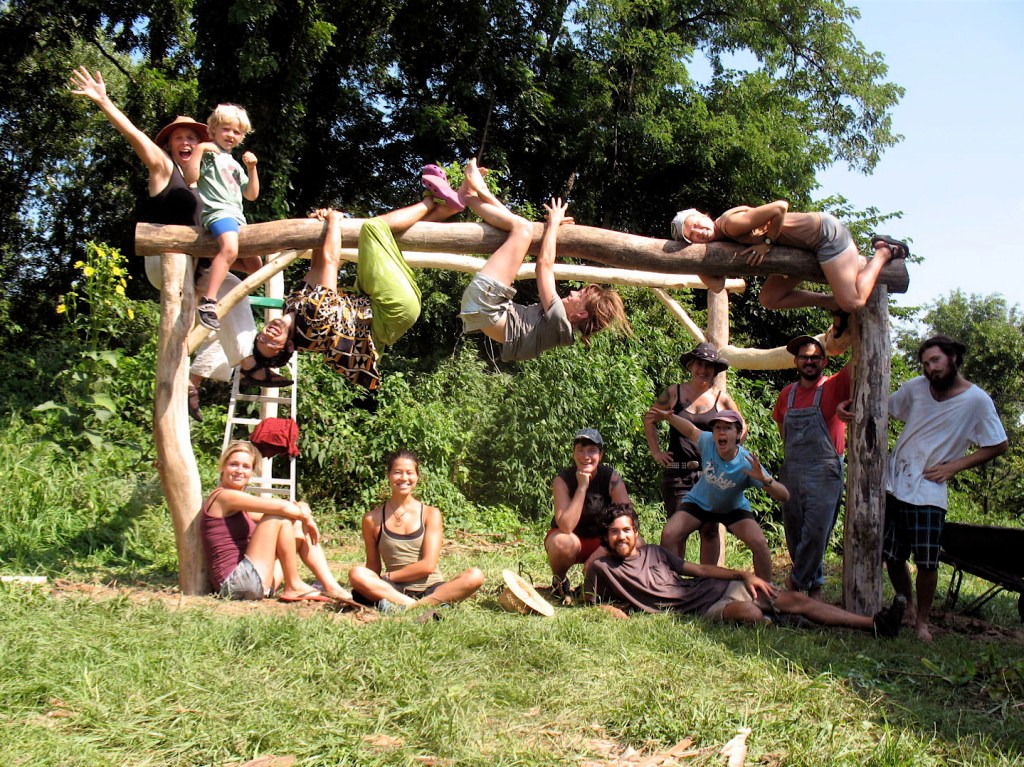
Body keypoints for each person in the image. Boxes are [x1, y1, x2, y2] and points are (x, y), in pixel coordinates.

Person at [69, 66, 257, 421]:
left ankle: (245, 365)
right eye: (178, 138)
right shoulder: (163, 169)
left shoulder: (208, 184)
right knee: (183, 318)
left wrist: (247, 258)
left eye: (192, 138)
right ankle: (180, 381)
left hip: (197, 266)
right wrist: (104, 102)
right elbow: (134, 135)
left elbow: (221, 232)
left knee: (235, 293)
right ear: (169, 145)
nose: (186, 143)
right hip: (167, 261)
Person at [842, 336, 1007, 641]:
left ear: (953, 357)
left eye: (936, 360)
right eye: (926, 363)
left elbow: (998, 444)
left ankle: (922, 623)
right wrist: (848, 406)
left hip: (930, 490)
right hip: (895, 483)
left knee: (927, 562)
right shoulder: (916, 387)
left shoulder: (977, 401)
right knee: (893, 556)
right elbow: (883, 405)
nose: (931, 368)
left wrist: (954, 466)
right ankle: (907, 608)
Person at [244, 176, 464, 391]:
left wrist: (320, 225)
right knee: (373, 228)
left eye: (262, 338)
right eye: (273, 344)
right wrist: (334, 221)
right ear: (289, 345)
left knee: (384, 240)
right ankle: (430, 201)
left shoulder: (293, 307)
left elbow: (317, 269)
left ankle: (445, 209)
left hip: (371, 303)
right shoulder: (312, 322)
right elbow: (331, 262)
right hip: (389, 312)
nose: (269, 335)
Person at [585, 503, 906, 637]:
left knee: (794, 599)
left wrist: (744, 575)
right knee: (751, 613)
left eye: (626, 530)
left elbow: (700, 569)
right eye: (614, 532)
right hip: (706, 608)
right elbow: (592, 604)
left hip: (718, 588)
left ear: (636, 532)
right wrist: (613, 611)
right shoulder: (603, 569)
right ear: (606, 537)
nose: (621, 537)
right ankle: (782, 619)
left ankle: (875, 624)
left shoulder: (655, 552)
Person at [459, 159, 631, 361]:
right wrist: (551, 228)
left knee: (523, 229)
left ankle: (477, 191)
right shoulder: (562, 329)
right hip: (485, 308)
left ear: (582, 314)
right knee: (523, 227)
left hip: (486, 304)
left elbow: (544, 265)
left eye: (580, 295)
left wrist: (554, 223)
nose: (573, 292)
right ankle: (470, 195)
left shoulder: (559, 321)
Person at [671, 203, 909, 335]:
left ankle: (884, 251)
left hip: (824, 235)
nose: (699, 232)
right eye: (693, 235)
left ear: (703, 215)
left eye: (696, 224)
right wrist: (694, 262)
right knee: (769, 299)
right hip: (801, 250)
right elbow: (717, 285)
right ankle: (831, 302)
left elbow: (780, 207)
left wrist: (766, 243)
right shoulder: (722, 240)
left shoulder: (730, 224)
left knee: (853, 301)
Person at [200, 441, 352, 601]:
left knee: (296, 527)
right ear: (222, 467)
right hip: (235, 584)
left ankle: (331, 586)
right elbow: (283, 508)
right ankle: (294, 585)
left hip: (255, 580)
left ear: (252, 472)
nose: (239, 471)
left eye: (246, 466)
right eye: (233, 464)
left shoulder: (240, 503)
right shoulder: (223, 496)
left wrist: (303, 508)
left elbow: (290, 510)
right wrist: (306, 517)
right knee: (277, 517)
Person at [647, 409, 785, 581]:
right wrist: (669, 417)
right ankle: (667, 584)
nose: (721, 432)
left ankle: (766, 591)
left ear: (738, 434)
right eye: (717, 428)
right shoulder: (708, 442)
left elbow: (784, 496)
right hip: (699, 502)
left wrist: (766, 480)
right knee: (670, 534)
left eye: (727, 428)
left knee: (759, 543)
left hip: (732, 509)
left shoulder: (746, 462)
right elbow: (690, 430)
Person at [643, 342, 745, 564]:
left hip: (710, 475)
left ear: (715, 370)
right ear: (690, 365)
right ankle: (673, 579)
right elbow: (650, 418)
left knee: (710, 529)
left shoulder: (722, 399)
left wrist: (726, 456)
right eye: (699, 363)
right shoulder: (674, 392)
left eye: (709, 365)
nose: (703, 369)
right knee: (677, 531)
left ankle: (707, 580)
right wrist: (656, 452)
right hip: (678, 472)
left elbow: (742, 429)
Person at [348, 450, 485, 613]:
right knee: (357, 573)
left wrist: (389, 576)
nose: (404, 478)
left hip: (432, 588)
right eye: (397, 472)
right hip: (394, 589)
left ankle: (408, 606)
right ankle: (422, 605)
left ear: (417, 476)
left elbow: (428, 565)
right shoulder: (372, 519)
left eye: (409, 473)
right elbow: (373, 567)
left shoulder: (430, 514)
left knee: (475, 575)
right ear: (388, 475)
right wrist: (372, 583)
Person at [772, 334, 851, 599]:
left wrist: (843, 332)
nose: (809, 362)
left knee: (817, 532)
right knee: (795, 533)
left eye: (815, 357)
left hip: (825, 471)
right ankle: (813, 593)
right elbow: (781, 426)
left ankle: (793, 585)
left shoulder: (834, 386)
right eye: (804, 357)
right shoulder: (787, 394)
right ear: (796, 361)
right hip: (792, 470)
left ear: (824, 361)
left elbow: (858, 362)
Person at [193, 104, 261, 331]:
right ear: (213, 129)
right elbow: (191, 177)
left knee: (255, 265)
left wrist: (252, 169)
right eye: (226, 129)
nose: (231, 135)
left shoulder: (234, 164)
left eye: (237, 132)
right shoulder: (208, 154)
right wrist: (199, 150)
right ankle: (208, 302)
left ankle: (217, 258)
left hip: (237, 217)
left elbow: (251, 194)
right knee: (231, 250)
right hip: (218, 212)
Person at [546, 428, 632, 599]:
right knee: (562, 542)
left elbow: (628, 519)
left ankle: (599, 584)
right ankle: (560, 582)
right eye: (580, 450)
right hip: (571, 540)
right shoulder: (562, 480)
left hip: (602, 541)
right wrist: (582, 487)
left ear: (601, 454)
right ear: (573, 453)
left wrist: (602, 550)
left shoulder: (611, 478)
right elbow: (566, 526)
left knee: (638, 543)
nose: (586, 456)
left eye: (592, 450)